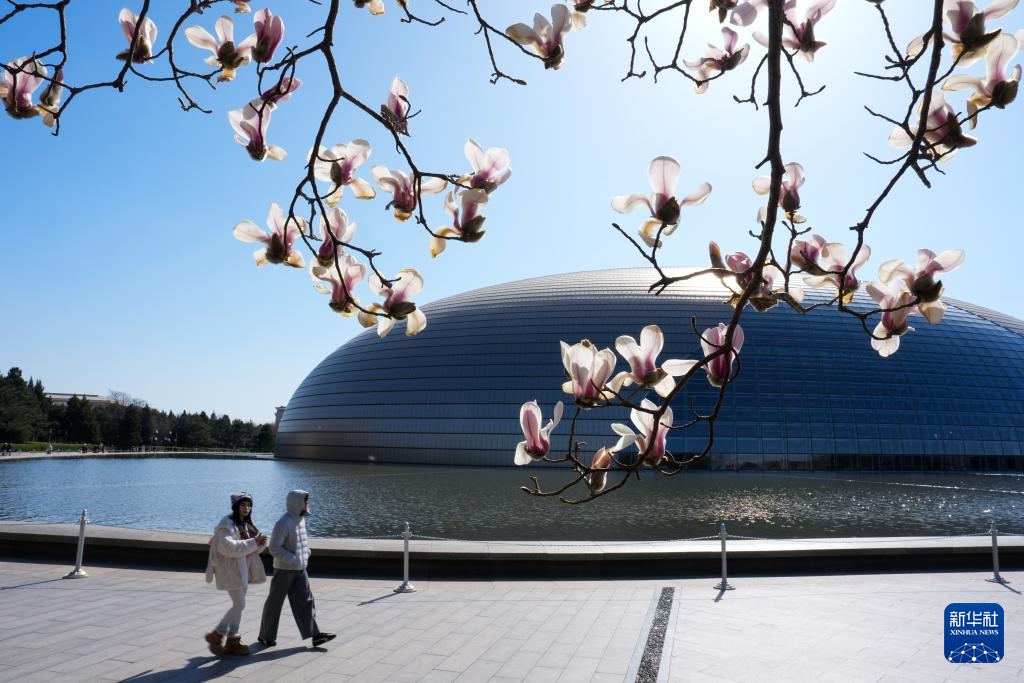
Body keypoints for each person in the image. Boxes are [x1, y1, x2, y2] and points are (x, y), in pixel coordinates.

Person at [258, 490, 335, 649]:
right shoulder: (283, 522)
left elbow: (301, 541)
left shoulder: (300, 520)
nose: (307, 504)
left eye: (307, 502)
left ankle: (315, 635)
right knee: (275, 603)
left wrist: (306, 553)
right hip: (284, 570)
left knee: (306, 601)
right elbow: (274, 548)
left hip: (300, 569)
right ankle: (266, 636)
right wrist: (293, 559)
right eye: (305, 502)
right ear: (296, 503)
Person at [204, 492, 269, 656]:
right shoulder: (226, 524)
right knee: (240, 604)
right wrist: (254, 542)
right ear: (236, 506)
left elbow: (253, 549)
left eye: (249, 505)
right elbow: (228, 547)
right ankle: (217, 634)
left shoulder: (247, 523)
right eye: (243, 505)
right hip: (230, 570)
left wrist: (260, 544)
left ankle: (233, 640)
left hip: (243, 569)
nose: (246, 508)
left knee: (238, 606)